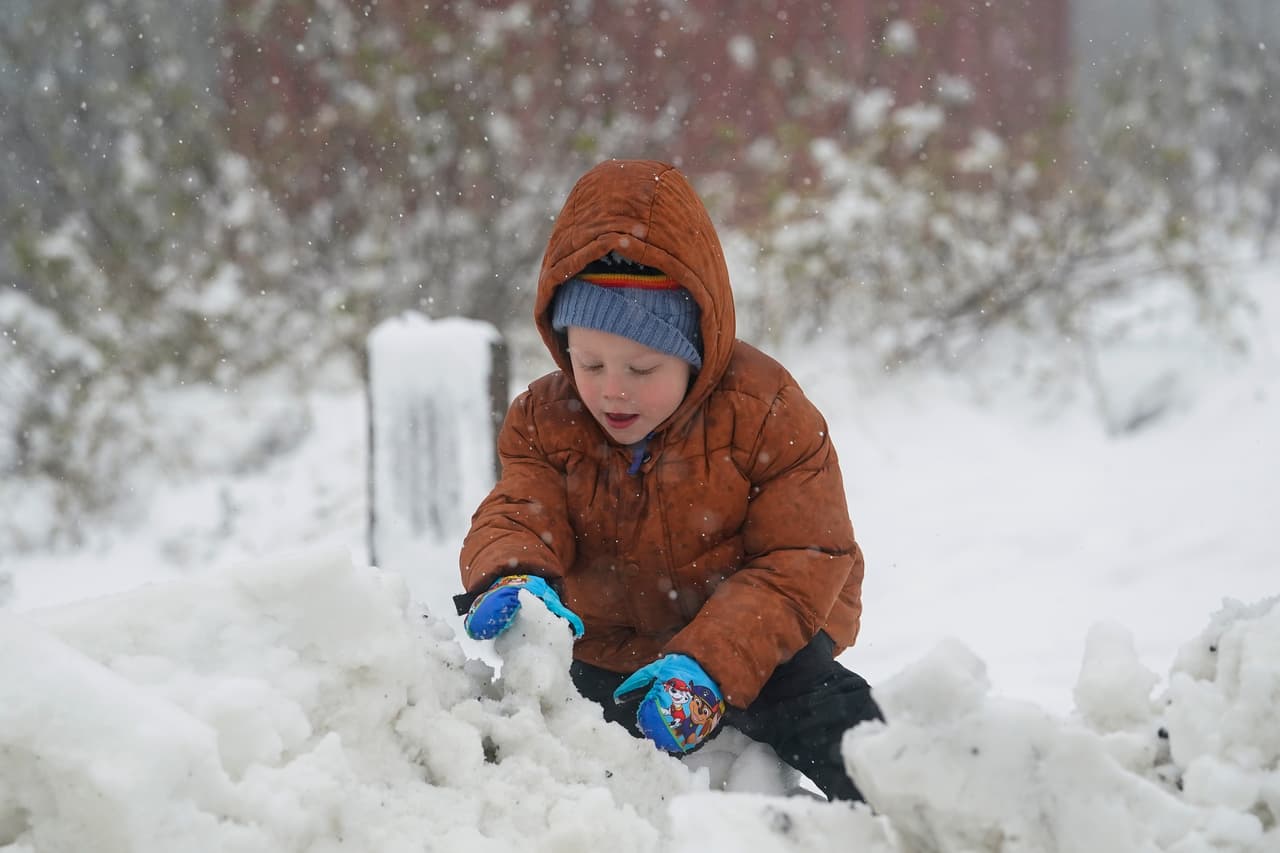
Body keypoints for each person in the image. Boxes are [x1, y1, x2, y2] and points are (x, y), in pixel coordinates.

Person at [454, 158, 882, 802]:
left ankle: (908, 811)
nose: (612, 389)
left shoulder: (765, 411)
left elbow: (804, 556)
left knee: (844, 730)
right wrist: (511, 572)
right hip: (612, 656)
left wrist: (710, 665)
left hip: (762, 643)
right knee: (547, 766)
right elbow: (521, 507)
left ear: (695, 351)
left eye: (643, 366)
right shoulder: (546, 420)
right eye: (590, 362)